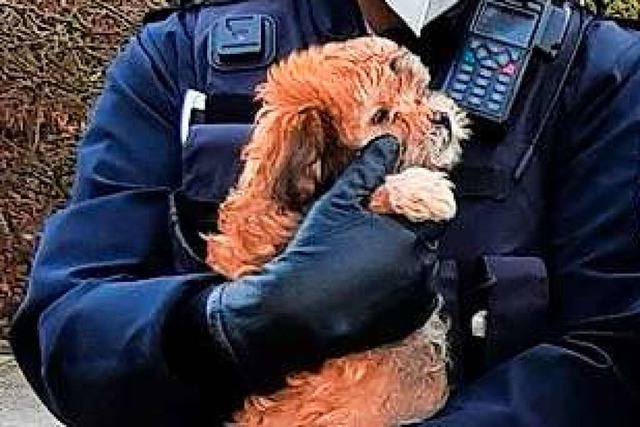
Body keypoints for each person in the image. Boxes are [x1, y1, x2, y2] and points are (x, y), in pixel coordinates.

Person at [9, 0, 640, 425]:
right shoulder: (183, 56)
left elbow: (616, 350)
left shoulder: (599, 72)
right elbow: (68, 327)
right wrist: (237, 325)